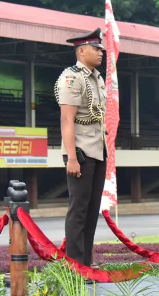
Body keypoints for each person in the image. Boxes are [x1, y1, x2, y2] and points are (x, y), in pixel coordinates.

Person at [55, 28, 107, 267]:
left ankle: (86, 261)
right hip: (81, 152)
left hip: (98, 149)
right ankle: (75, 264)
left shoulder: (97, 77)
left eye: (101, 49)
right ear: (82, 50)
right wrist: (72, 157)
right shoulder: (71, 77)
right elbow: (67, 120)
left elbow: (96, 115)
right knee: (78, 210)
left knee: (91, 209)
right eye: (96, 49)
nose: (101, 53)